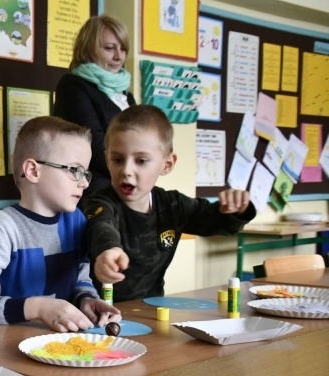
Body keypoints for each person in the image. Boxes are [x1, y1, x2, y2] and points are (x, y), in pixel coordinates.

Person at [0, 116, 121, 332]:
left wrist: (86, 300)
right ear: (33, 171)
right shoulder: (0, 229)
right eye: (75, 170)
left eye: (86, 173)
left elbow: (80, 279)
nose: (84, 182)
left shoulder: (77, 221)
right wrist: (37, 308)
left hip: (60, 344)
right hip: (7, 345)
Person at [82, 105, 256, 303]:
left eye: (141, 160)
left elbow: (216, 220)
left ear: (167, 164)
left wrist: (237, 209)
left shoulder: (173, 205)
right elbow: (101, 226)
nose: (126, 170)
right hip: (98, 310)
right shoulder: (99, 201)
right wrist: (109, 250)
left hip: (150, 309)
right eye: (118, 159)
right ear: (107, 160)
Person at [52, 15, 136, 197]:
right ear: (88, 49)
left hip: (126, 182)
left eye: (123, 49)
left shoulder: (126, 94)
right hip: (92, 188)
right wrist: (132, 173)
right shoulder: (73, 86)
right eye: (109, 48)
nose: (118, 56)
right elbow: (93, 145)